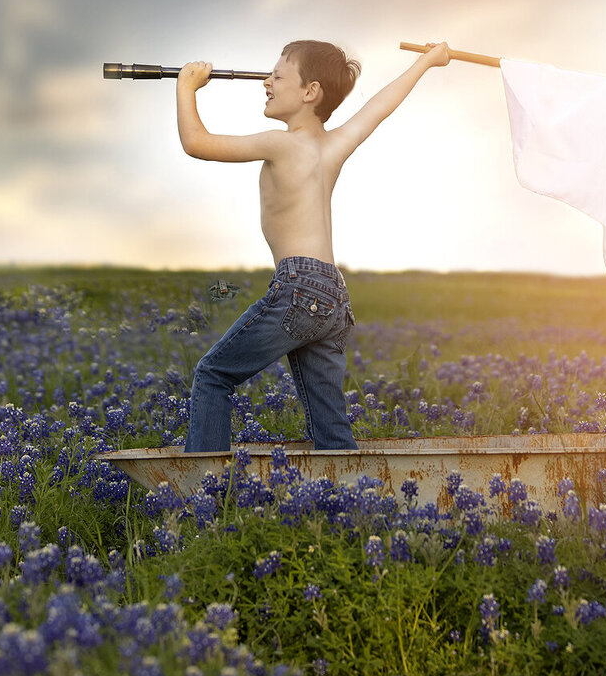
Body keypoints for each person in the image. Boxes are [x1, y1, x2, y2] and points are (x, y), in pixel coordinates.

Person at [176, 39, 450, 452]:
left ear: (311, 92)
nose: (265, 82)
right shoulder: (333, 145)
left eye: (277, 75)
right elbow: (380, 104)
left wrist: (185, 87)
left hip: (298, 286)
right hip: (333, 296)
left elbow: (197, 143)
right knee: (328, 419)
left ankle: (204, 496)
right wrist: (427, 61)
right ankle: (352, 502)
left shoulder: (281, 143)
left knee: (213, 375)